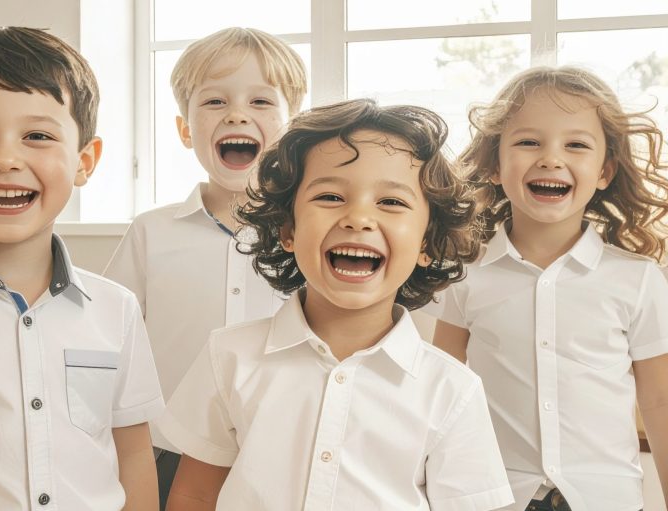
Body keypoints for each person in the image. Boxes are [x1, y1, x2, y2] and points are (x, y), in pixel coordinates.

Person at [157, 99, 514, 510]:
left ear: (427, 244)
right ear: (288, 229)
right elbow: (196, 494)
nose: (358, 218)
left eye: (391, 202)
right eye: (330, 196)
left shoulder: (451, 389)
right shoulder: (230, 357)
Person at [0, 27, 163, 510]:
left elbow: (132, 452)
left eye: (37, 136)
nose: (4, 158)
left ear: (84, 161)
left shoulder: (116, 309)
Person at [431, 66, 668, 511]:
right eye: (528, 142)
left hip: (608, 499)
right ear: (495, 167)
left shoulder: (637, 280)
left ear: (605, 171)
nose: (551, 159)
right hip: (495, 497)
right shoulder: (467, 276)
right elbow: (437, 389)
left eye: (576, 144)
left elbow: (659, 401)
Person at [103, 26, 307, 507]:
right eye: (214, 102)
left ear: (292, 127)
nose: (237, 113)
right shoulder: (152, 232)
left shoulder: (312, 236)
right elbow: (107, 340)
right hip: (169, 450)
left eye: (260, 102)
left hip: (280, 452)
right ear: (185, 128)